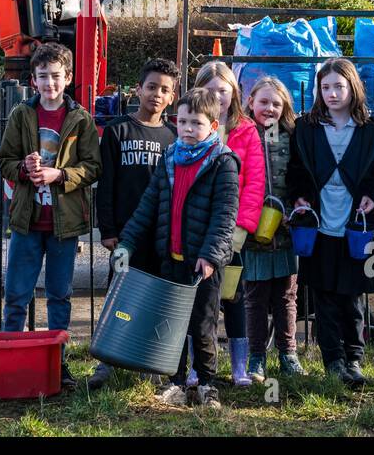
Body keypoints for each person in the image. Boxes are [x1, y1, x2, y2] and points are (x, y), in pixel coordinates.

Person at [115, 88, 239, 409]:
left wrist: (211, 255)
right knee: (170, 326)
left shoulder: (222, 163)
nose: (186, 129)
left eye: (195, 123)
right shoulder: (169, 159)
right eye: (182, 121)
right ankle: (176, 381)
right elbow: (148, 206)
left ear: (212, 126)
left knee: (202, 325)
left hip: (203, 265)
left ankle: (208, 383)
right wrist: (127, 241)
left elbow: (225, 217)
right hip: (171, 257)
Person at [0, 42, 102, 391]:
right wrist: (23, 170)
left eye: (56, 76)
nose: (49, 83)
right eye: (43, 77)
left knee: (60, 296)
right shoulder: (21, 115)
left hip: (64, 224)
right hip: (27, 221)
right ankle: (8, 361)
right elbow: (4, 161)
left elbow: (93, 167)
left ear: (68, 78)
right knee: (16, 295)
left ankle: (58, 364)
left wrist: (60, 176)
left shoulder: (81, 118)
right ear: (33, 79)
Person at [286, 58, 374, 385]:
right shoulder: (307, 128)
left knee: (353, 297)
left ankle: (354, 359)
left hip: (354, 224)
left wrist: (371, 194)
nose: (332, 93)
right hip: (319, 224)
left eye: (338, 86)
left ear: (352, 87)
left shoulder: (371, 131)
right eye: (326, 87)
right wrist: (300, 196)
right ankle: (333, 360)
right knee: (325, 296)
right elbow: (297, 170)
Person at [88, 57, 178, 390]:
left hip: (161, 236)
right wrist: (108, 230)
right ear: (138, 89)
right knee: (118, 294)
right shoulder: (117, 131)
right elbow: (106, 183)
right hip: (124, 236)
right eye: (151, 87)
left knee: (155, 295)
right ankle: (106, 361)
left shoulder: (174, 136)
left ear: (172, 97)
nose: (156, 94)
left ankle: (149, 363)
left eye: (164, 90)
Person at [192, 61, 264, 387]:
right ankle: (198, 364)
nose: (217, 96)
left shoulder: (246, 130)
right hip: (198, 230)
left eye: (223, 90)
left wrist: (243, 226)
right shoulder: (192, 126)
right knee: (198, 302)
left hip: (232, 233)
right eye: (210, 90)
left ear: (234, 92)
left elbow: (254, 184)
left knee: (234, 299)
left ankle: (239, 366)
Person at [243, 76, 303, 382]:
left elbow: (302, 177)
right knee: (254, 296)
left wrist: (295, 211)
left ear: (285, 107)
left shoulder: (292, 136)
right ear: (251, 101)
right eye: (263, 102)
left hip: (287, 230)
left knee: (286, 296)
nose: (269, 108)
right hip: (252, 230)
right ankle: (256, 356)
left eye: (276, 104)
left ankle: (288, 352)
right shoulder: (242, 134)